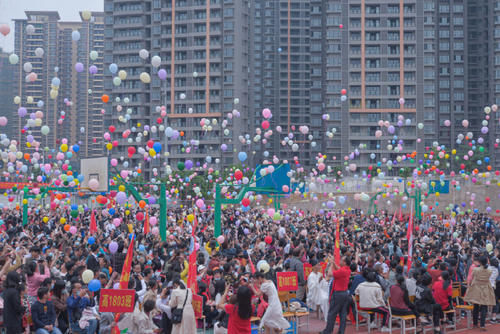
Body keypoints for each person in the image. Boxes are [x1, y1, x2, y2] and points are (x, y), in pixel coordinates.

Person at [321, 256, 352, 334]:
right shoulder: (347, 270)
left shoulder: (343, 271)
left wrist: (331, 263)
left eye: (341, 260)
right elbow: (338, 268)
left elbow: (329, 273)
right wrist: (334, 262)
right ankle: (341, 331)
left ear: (344, 262)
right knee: (343, 314)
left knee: (332, 313)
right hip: (344, 293)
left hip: (338, 294)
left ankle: (328, 331)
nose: (340, 261)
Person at [464, 256, 496, 331]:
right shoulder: (489, 270)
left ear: (480, 262)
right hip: (485, 288)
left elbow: (472, 277)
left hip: (476, 288)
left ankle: (475, 324)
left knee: (476, 306)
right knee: (484, 307)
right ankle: (482, 325)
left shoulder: (475, 269)